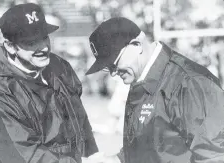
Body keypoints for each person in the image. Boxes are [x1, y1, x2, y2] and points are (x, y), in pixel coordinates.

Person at [86, 17, 224, 163]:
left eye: (114, 63)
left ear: (136, 44)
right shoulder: (140, 81)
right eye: (108, 68)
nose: (113, 73)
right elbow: (147, 149)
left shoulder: (188, 83)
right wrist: (112, 160)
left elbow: (215, 156)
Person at [0, 3, 98, 163]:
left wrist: (92, 156)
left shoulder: (60, 68)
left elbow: (81, 124)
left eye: (44, 37)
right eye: (31, 42)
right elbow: (21, 156)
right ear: (10, 47)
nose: (43, 47)